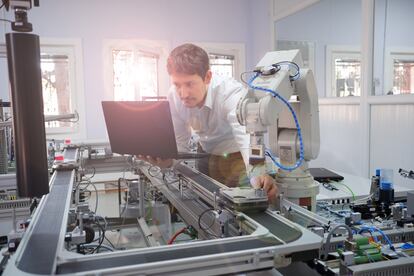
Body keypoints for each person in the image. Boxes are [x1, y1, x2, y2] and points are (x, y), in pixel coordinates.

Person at [138, 43, 277, 202]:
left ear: (207, 77)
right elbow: (180, 144)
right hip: (204, 155)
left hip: (236, 158)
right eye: (177, 84)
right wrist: (167, 161)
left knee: (245, 208)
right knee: (206, 206)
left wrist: (258, 173)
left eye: (190, 84)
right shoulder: (173, 96)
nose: (183, 94)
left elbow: (248, 138)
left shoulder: (229, 92)